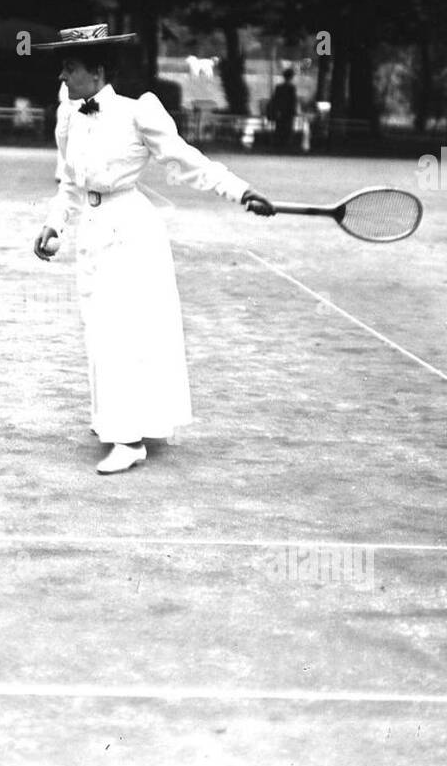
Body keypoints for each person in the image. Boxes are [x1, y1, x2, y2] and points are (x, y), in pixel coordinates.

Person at [31, 24, 275, 475]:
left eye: (69, 68)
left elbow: (188, 161)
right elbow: (69, 182)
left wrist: (241, 192)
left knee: (125, 330)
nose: (62, 77)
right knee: (99, 329)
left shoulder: (138, 112)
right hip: (92, 232)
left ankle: (128, 439)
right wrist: (53, 225)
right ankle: (116, 420)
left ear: (97, 70)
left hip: (133, 233)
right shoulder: (67, 115)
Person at [269, 67, 298, 149]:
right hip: (288, 113)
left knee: (279, 128)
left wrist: (276, 110)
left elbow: (275, 100)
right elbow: (293, 101)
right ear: (291, 77)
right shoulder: (292, 88)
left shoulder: (279, 87)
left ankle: (278, 145)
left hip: (280, 112)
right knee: (288, 129)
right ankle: (286, 146)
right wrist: (294, 111)